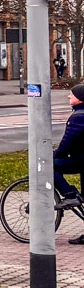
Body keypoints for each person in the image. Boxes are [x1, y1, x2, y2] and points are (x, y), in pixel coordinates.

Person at [54, 83, 84, 241]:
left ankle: (69, 195)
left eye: (72, 94)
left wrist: (55, 155)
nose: (68, 96)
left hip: (81, 160)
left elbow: (68, 142)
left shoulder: (78, 116)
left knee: (49, 167)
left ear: (79, 98)